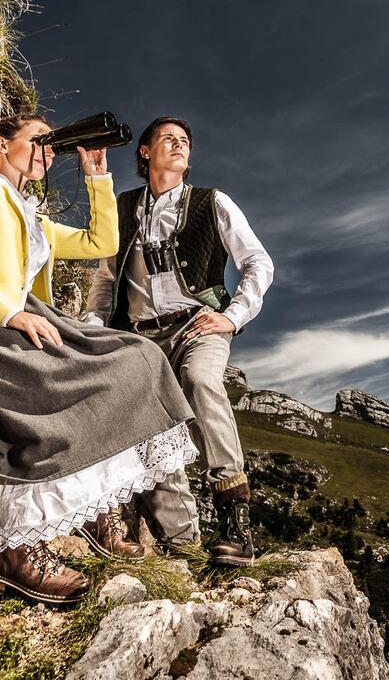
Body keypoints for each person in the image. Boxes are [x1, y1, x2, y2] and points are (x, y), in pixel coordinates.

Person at [0, 114, 199, 604]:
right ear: (3, 144)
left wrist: (95, 174)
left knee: (139, 358)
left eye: (54, 145)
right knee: (80, 379)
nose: (49, 151)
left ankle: (93, 505)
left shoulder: (29, 213)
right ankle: (13, 549)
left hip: (33, 317)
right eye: (39, 141)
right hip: (7, 324)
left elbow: (100, 243)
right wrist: (9, 313)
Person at [84, 117, 274, 566]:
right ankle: (181, 544)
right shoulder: (122, 206)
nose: (179, 145)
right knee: (154, 429)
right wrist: (94, 331)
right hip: (140, 338)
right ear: (145, 152)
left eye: (185, 141)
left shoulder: (213, 202)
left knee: (201, 381)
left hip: (197, 325)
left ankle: (235, 519)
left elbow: (258, 262)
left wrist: (232, 317)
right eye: (168, 138)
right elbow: (106, 281)